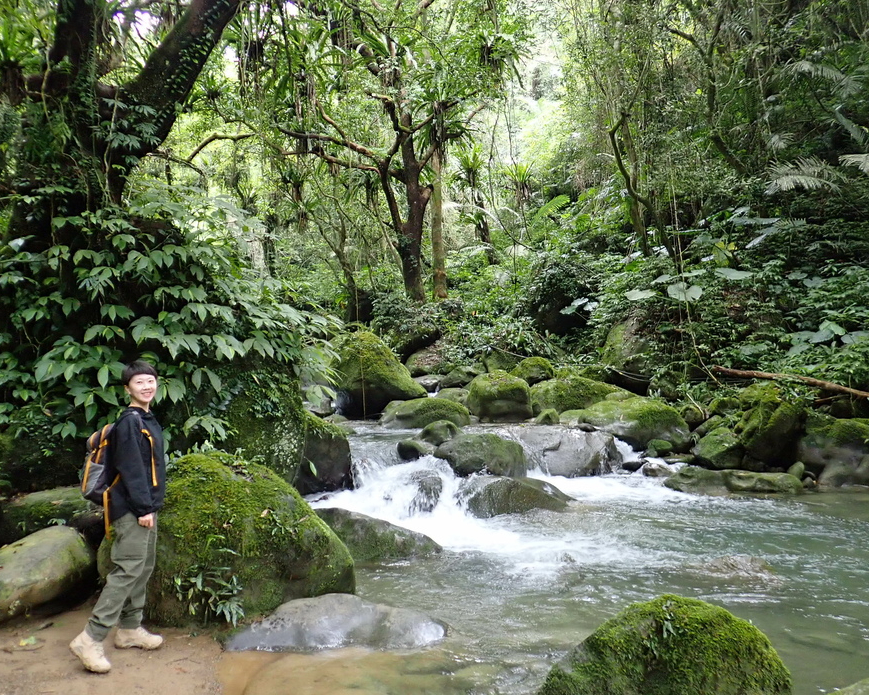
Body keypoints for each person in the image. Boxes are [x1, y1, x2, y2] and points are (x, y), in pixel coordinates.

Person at [70, 360, 167, 673]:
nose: (146, 386)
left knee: (142, 568)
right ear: (128, 389)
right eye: (139, 382)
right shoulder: (129, 422)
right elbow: (132, 470)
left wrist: (151, 506)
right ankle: (90, 638)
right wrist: (143, 509)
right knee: (127, 570)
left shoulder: (148, 419)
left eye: (150, 381)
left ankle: (129, 630)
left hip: (146, 507)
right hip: (130, 509)